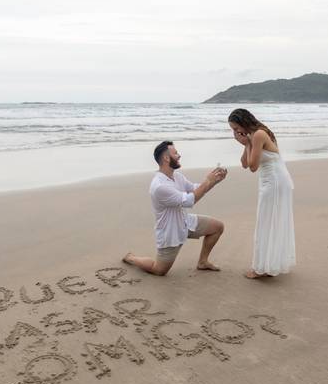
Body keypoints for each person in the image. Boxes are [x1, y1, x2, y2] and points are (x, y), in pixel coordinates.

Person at [123, 141, 227, 276]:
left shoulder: (177, 176)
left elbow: (195, 189)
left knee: (218, 227)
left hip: (185, 221)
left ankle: (202, 262)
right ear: (166, 158)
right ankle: (131, 258)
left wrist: (215, 181)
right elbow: (189, 200)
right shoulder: (160, 186)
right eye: (176, 153)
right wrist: (208, 180)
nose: (179, 155)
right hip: (170, 231)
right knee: (159, 270)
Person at [228, 108, 296, 279]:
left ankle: (260, 268)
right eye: (233, 130)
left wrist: (248, 144)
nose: (235, 132)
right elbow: (244, 163)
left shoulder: (258, 134)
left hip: (275, 181)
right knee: (268, 221)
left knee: (266, 222)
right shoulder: (252, 136)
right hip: (270, 180)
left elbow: (253, 167)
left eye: (236, 128)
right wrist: (245, 144)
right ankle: (269, 264)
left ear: (243, 123)